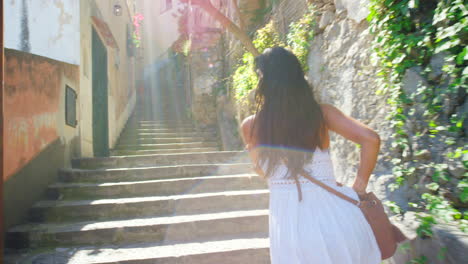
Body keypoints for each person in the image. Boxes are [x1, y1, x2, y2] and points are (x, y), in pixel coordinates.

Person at [240, 47, 381, 264]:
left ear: (263, 80)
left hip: (291, 227)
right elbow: (370, 139)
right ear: (298, 77)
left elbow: (263, 172)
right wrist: (358, 188)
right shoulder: (321, 114)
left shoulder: (252, 126)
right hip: (338, 218)